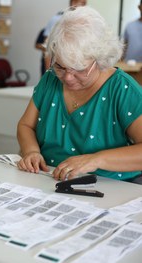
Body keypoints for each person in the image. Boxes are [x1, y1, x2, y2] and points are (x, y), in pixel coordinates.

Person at [17, 6, 142, 184]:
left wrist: (95, 160)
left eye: (79, 69)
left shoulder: (122, 89)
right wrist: (31, 152)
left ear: (100, 59)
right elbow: (25, 125)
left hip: (110, 186)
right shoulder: (50, 80)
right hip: (48, 180)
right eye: (60, 66)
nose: (67, 77)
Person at [41, 0, 87, 71]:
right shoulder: (57, 19)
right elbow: (48, 48)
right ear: (73, 2)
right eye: (82, 3)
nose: (85, 6)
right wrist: (49, 73)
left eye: (85, 3)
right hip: (60, 68)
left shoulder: (86, 22)